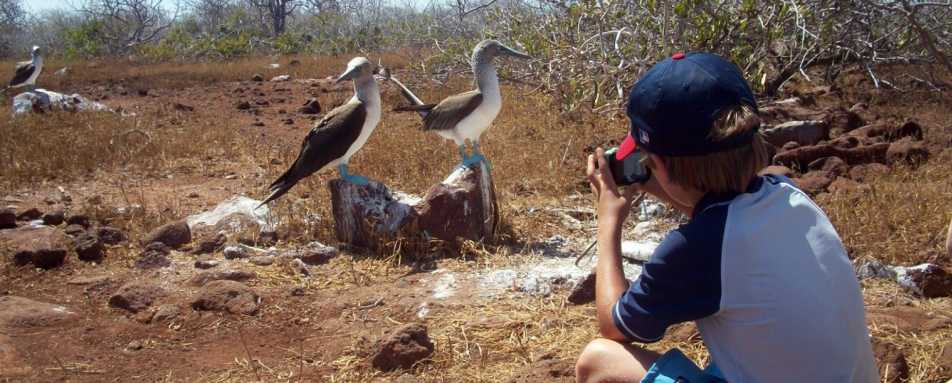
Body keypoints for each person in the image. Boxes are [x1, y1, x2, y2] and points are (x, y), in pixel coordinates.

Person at [576, 52, 878, 383]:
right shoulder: (789, 193)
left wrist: (609, 221)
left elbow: (614, 324)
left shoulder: (694, 249)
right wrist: (658, 184)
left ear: (657, 164)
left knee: (599, 360)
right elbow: (721, 214)